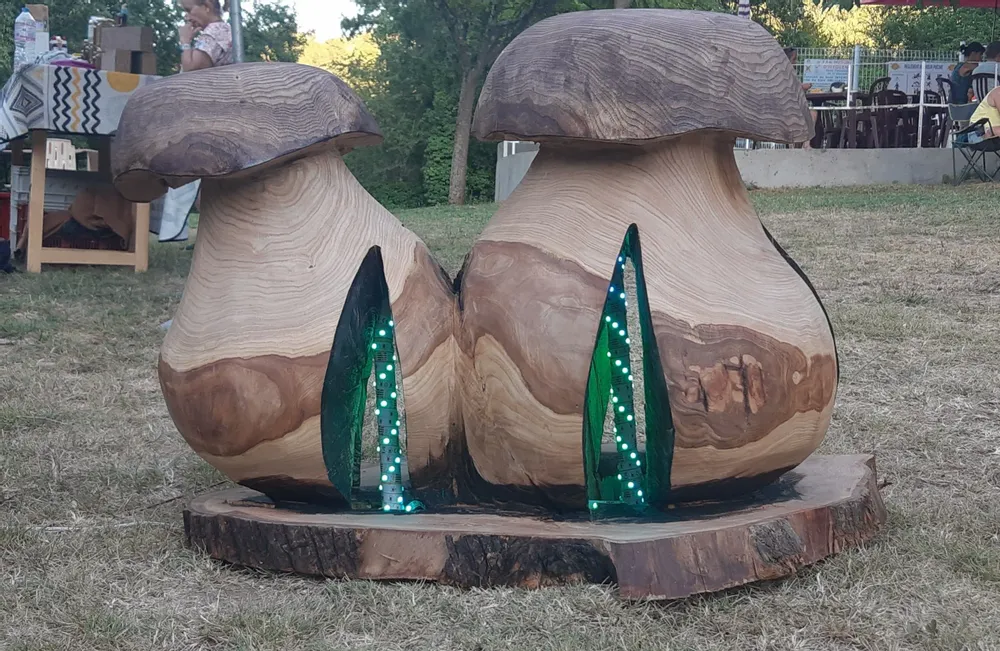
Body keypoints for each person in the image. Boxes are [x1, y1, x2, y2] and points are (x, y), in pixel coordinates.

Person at [179, 0, 233, 72]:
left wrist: (185, 41)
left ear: (206, 7)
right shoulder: (222, 29)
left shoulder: (213, 31)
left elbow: (190, 70)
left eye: (189, 10)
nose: (187, 18)